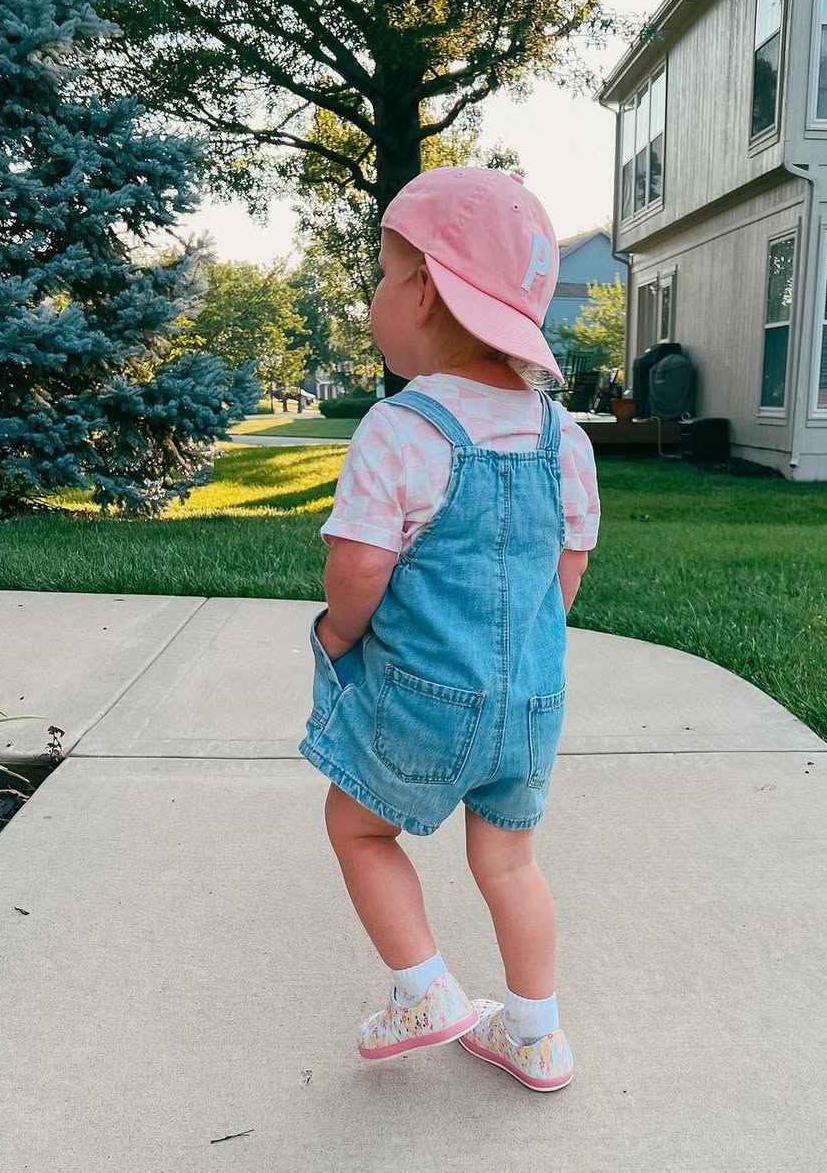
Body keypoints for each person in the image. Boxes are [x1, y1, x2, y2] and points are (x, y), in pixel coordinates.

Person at [299, 166, 600, 1093]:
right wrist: (523, 652)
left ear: (423, 290)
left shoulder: (400, 429)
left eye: (383, 276)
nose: (378, 296)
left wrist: (338, 632)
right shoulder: (564, 437)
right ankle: (537, 1035)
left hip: (427, 696)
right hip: (532, 702)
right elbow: (567, 570)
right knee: (509, 861)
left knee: (357, 828)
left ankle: (424, 989)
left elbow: (359, 569)